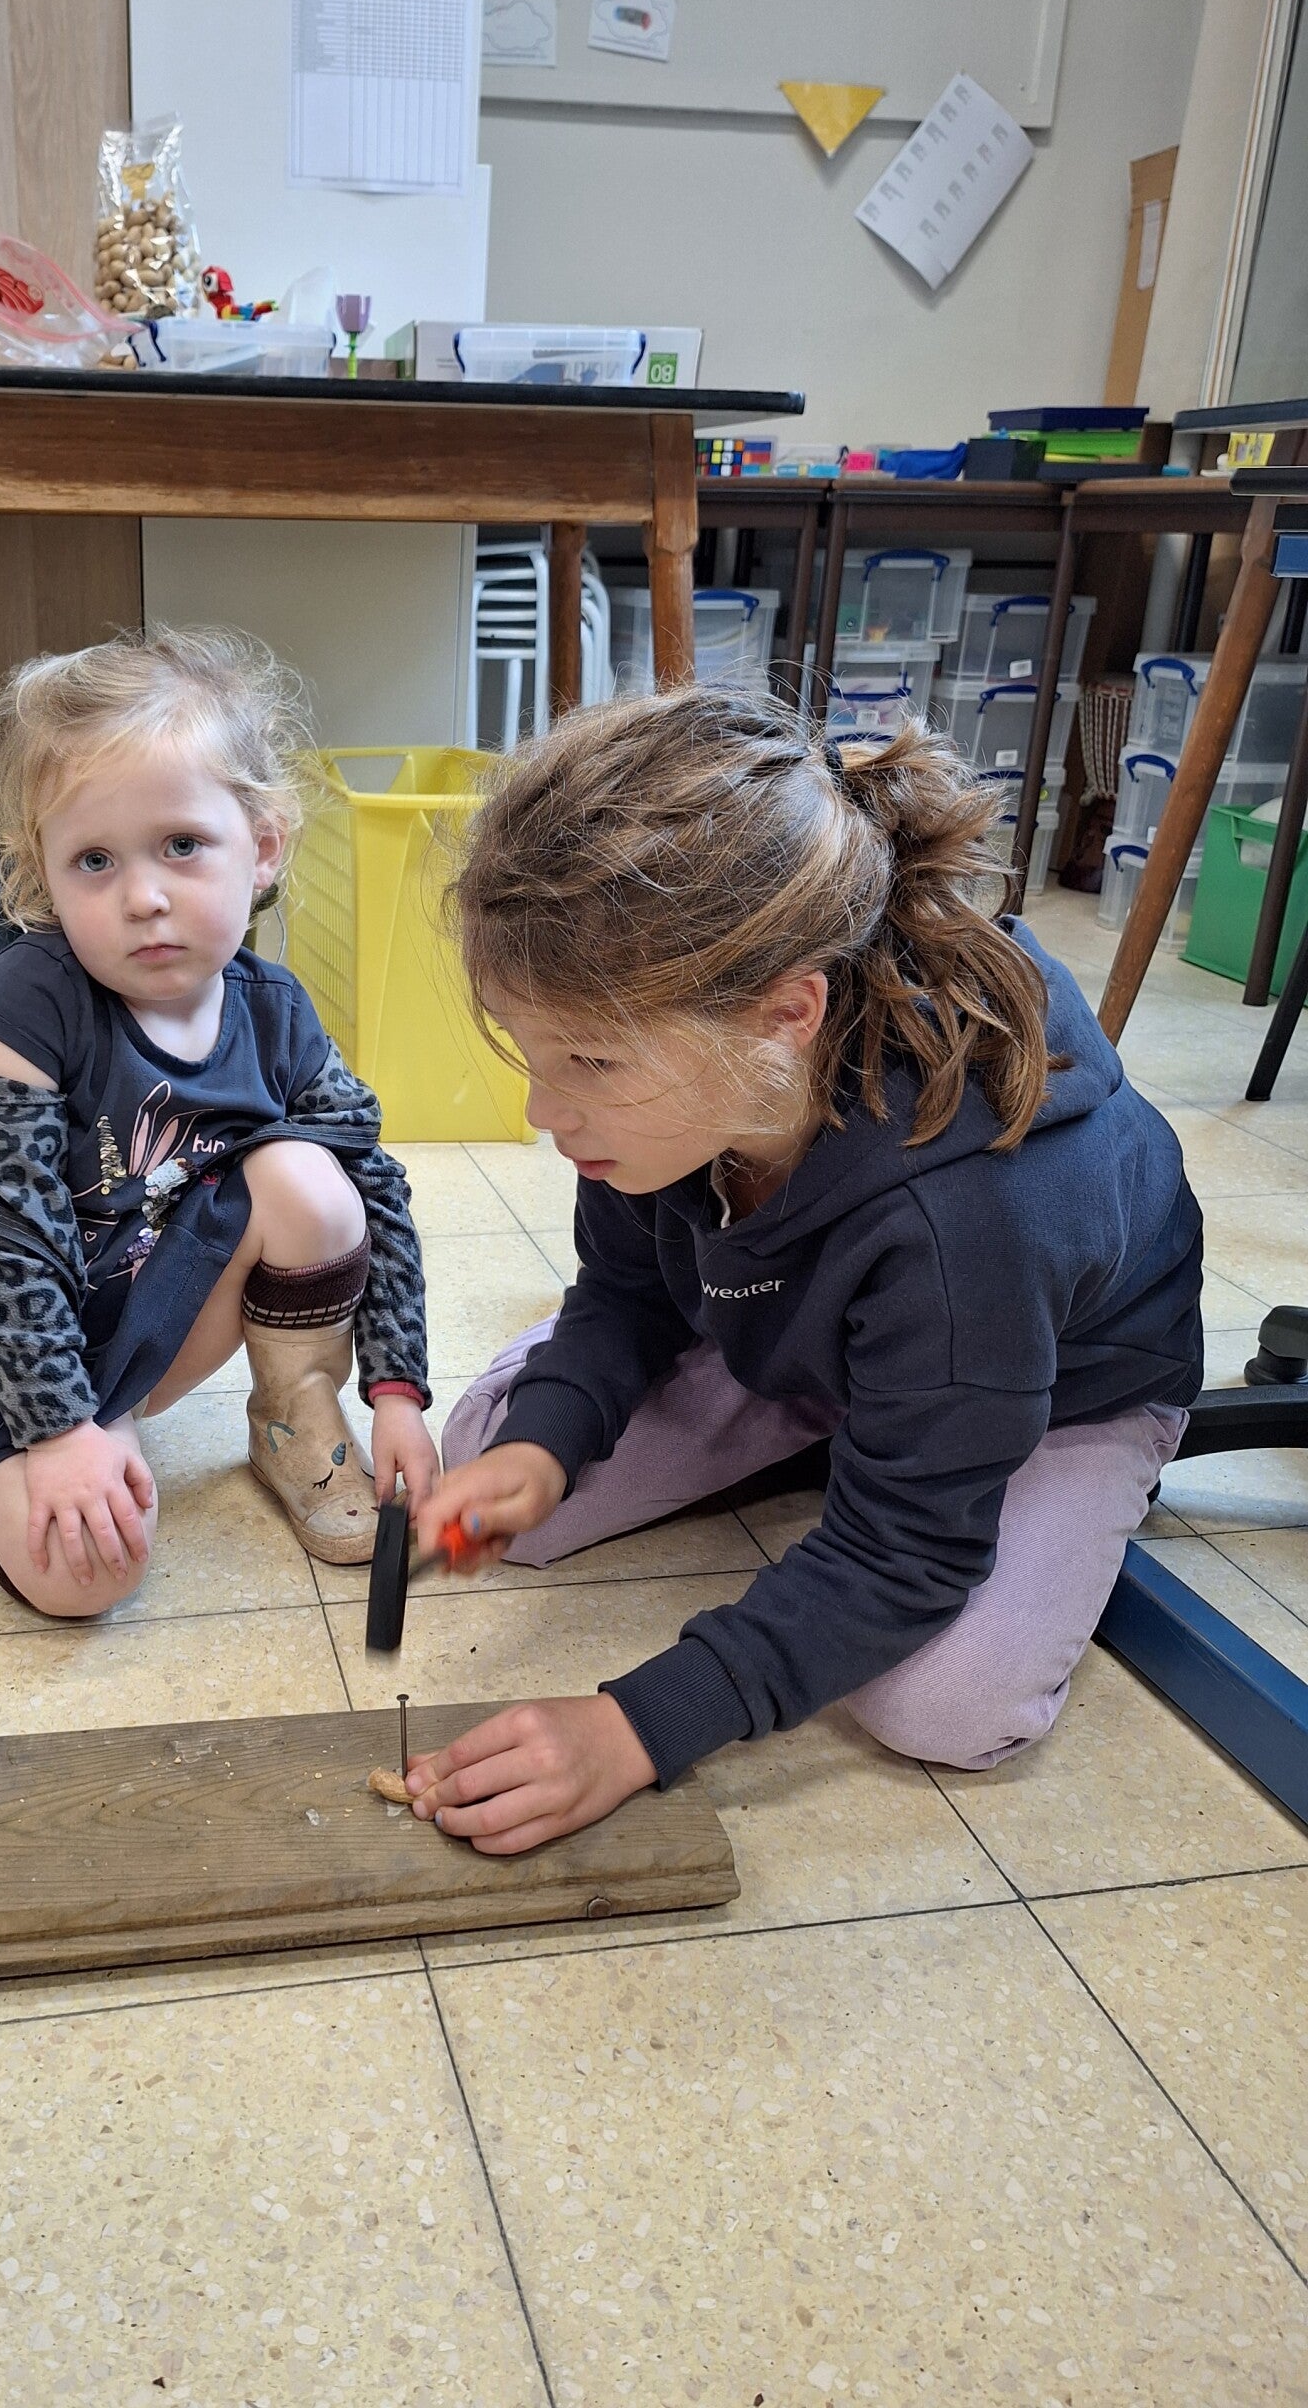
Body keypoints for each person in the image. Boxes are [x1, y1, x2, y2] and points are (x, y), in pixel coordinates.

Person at [403, 686, 1202, 1854]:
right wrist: (544, 1443)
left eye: (588, 1062)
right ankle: (846, 1430)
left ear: (785, 1013)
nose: (543, 1110)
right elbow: (626, 1291)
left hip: (1061, 1388)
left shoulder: (967, 1222)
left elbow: (905, 1555)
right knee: (492, 1455)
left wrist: (635, 1729)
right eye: (535, 1056)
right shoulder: (671, 1092)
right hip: (824, 1334)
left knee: (942, 1706)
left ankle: (997, 1472)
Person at [0, 628, 436, 1615]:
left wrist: (397, 1390)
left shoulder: (276, 1014)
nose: (143, 896)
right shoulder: (22, 1010)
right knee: (88, 1576)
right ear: (45, 877)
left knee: (313, 1181)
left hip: (131, 1330)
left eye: (182, 845)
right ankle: (68, 1431)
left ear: (262, 848)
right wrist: (58, 1433)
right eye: (93, 860)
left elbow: (377, 1193)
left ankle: (296, 1416)